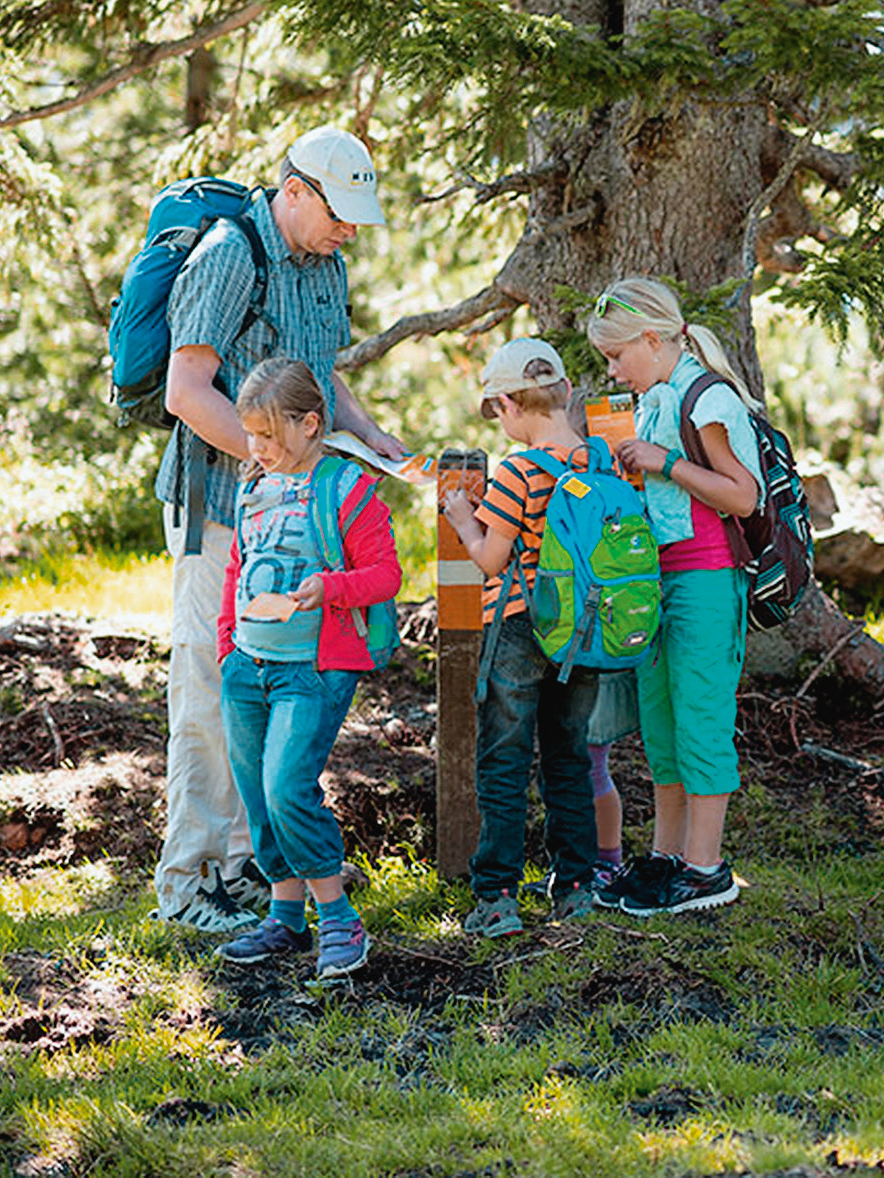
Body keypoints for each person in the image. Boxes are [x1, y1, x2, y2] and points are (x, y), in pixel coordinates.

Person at [152, 126, 403, 932]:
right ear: (294, 190)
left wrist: (370, 438)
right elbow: (187, 391)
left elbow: (321, 375)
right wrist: (276, 462)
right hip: (219, 507)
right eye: (340, 211)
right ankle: (190, 883)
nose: (351, 230)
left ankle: (252, 871)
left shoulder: (326, 265)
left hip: (288, 517)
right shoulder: (229, 254)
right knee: (209, 687)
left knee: (261, 689)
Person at [213, 357, 401, 977]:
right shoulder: (254, 488)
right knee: (257, 797)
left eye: (269, 435)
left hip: (311, 671)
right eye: (252, 435)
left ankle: (340, 919)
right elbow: (238, 570)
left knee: (287, 788)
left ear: (311, 423)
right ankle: (285, 919)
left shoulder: (347, 490)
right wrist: (227, 646)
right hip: (248, 667)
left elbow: (386, 576)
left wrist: (330, 588)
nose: (258, 447)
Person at [587, 277, 763, 916]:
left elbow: (742, 496)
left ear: (653, 340)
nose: (613, 370)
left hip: (706, 581)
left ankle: (706, 866)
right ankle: (666, 856)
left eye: (616, 356)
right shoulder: (658, 397)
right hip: (657, 583)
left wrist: (663, 462)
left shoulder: (705, 398)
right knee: (660, 721)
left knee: (701, 719)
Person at [443, 337, 600, 938]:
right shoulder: (598, 461)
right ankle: (577, 888)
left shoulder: (520, 470)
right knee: (568, 757)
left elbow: (489, 558)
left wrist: (462, 517)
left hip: (518, 626)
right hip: (583, 631)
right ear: (562, 392)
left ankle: (497, 897)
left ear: (509, 405)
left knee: (504, 760)